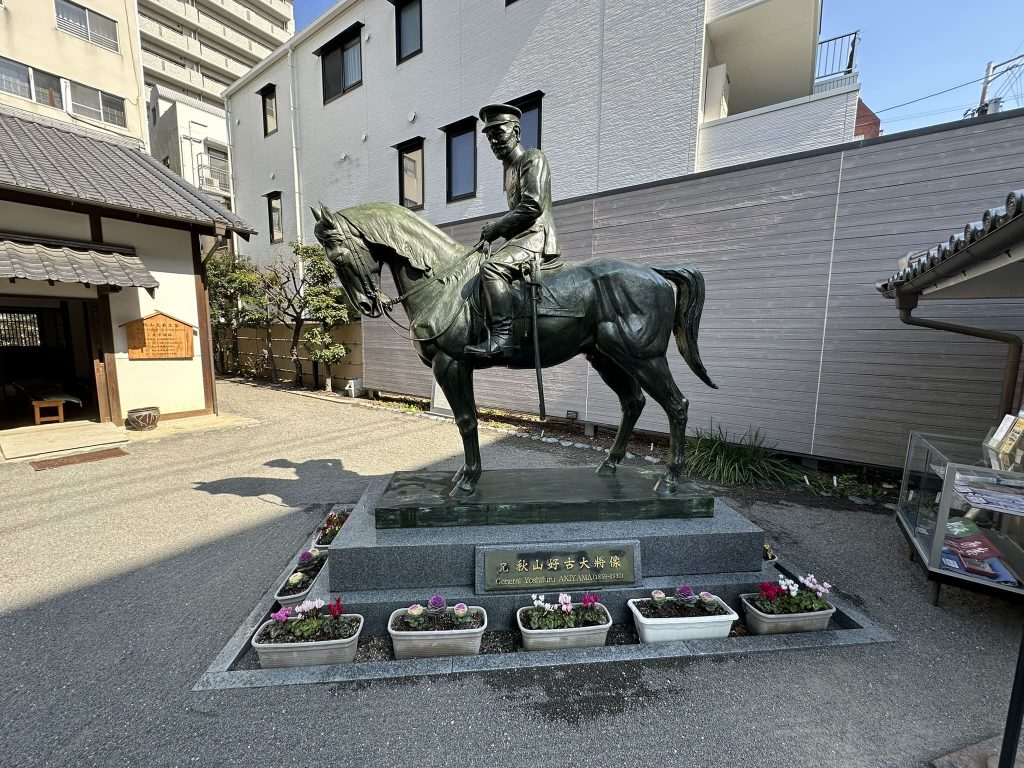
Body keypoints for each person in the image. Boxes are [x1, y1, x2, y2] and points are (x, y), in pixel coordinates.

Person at [464, 103, 560, 357]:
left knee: (491, 268)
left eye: (499, 133)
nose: (494, 141)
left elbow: (532, 205)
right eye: (490, 137)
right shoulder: (507, 171)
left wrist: (496, 227)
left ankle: (503, 337)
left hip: (536, 236)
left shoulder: (533, 158)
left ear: (516, 132)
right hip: (521, 237)